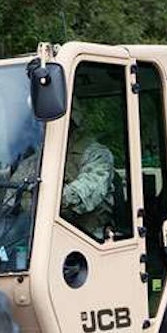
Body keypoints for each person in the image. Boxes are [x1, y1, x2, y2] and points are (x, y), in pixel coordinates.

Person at [60, 99, 115, 239]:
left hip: (89, 237)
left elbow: (89, 188)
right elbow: (11, 196)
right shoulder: (42, 157)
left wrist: (57, 198)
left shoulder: (97, 153)